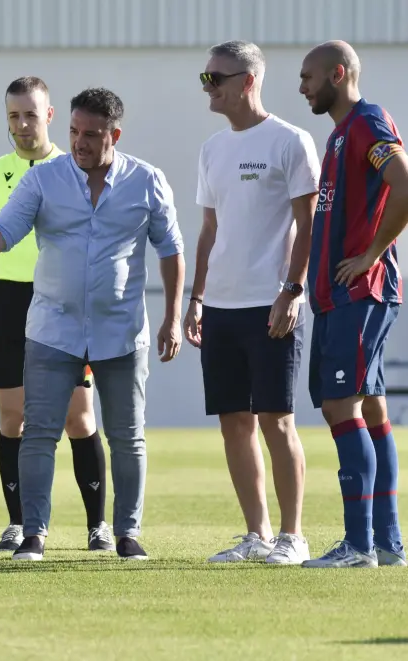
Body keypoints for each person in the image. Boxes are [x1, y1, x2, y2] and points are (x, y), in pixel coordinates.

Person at [0, 88, 185, 562]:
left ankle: (126, 534)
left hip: (121, 331)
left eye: (91, 135)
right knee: (38, 431)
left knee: (127, 435)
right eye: (74, 131)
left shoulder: (147, 181)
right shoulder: (43, 180)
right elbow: (5, 228)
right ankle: (33, 534)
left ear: (114, 135)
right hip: (53, 328)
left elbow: (171, 250)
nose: (79, 142)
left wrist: (173, 318)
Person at [0, 76, 112, 553]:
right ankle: (20, 524)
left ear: (49, 116)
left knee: (78, 417)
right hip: (9, 302)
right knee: (13, 418)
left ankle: (98, 527)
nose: (22, 124)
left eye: (31, 114)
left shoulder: (72, 170)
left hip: (64, 302)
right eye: (13, 116)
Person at [186, 41, 319, 565]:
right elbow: (209, 230)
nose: (208, 87)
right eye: (205, 77)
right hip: (219, 306)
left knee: (276, 419)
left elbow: (308, 223)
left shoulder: (291, 141)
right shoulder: (212, 148)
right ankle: (256, 535)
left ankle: (293, 536)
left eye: (215, 78)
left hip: (272, 302)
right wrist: (196, 298)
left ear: (248, 80)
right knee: (233, 421)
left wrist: (293, 289)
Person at [298, 40, 407, 568]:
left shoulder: (366, 122)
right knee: (370, 408)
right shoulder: (341, 135)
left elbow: (405, 182)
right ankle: (387, 543)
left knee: (341, 406)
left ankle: (359, 545)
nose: (302, 87)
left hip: (359, 293)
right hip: (340, 295)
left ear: (338, 74)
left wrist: (370, 253)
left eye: (309, 77)